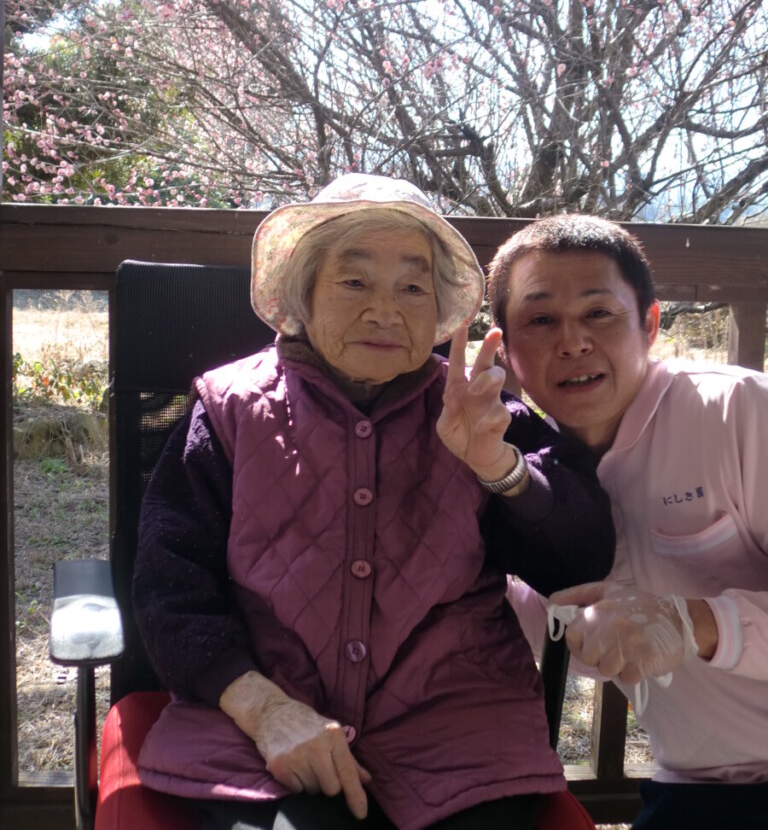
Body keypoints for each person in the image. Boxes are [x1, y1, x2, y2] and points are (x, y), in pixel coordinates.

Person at [131, 175, 614, 830]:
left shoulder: (478, 408)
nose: (385, 311)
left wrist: (498, 467)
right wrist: (264, 710)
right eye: (354, 282)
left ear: (438, 308)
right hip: (263, 730)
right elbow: (169, 586)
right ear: (302, 293)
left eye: (412, 288)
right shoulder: (228, 410)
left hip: (459, 734)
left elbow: (582, 558)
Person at [488, 213, 768, 830]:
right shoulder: (523, 474)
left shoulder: (741, 410)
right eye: (541, 320)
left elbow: (669, 629)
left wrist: (695, 622)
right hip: (695, 788)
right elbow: (580, 640)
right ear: (505, 349)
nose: (573, 342)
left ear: (649, 323)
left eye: (599, 313)